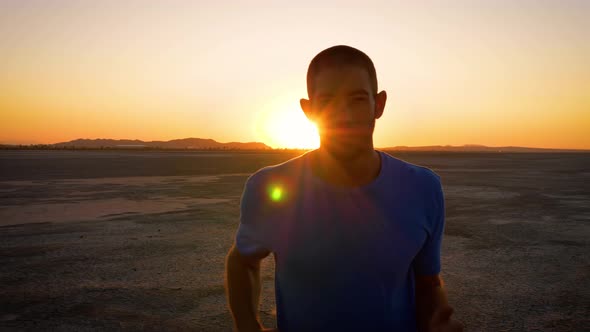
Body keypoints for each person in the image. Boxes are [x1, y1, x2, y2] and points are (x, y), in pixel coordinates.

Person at [225, 45, 463, 332]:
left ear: (379, 105)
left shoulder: (423, 188)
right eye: (326, 102)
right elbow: (243, 262)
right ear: (309, 110)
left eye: (357, 100)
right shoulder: (270, 187)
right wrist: (247, 324)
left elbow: (428, 281)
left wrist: (436, 320)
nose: (344, 117)